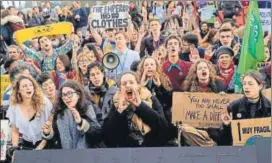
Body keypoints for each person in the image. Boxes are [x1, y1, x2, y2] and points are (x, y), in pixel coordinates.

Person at [102, 71, 168, 147]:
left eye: (131, 82)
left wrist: (141, 106)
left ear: (137, 85)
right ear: (120, 89)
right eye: (124, 84)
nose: (128, 86)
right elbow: (107, 136)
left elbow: (164, 126)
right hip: (126, 151)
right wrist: (119, 112)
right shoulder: (116, 102)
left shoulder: (150, 98)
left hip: (151, 148)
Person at [42, 80, 102, 149]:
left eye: (69, 93)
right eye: (63, 95)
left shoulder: (90, 109)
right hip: (66, 156)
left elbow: (98, 136)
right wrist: (48, 133)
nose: (66, 98)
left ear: (78, 95)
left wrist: (81, 123)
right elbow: (56, 140)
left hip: (88, 155)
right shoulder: (59, 113)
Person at [219, 71, 271, 145]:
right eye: (244, 84)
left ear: (260, 86)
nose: (246, 87)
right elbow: (223, 143)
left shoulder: (269, 107)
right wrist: (226, 126)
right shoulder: (233, 107)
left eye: (250, 84)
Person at [6, 74, 53, 150]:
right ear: (18, 90)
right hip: (26, 143)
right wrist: (15, 147)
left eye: (31, 85)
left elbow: (51, 125)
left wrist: (40, 146)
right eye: (24, 86)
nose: (28, 88)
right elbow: (15, 130)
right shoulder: (14, 106)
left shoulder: (44, 102)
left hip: (45, 142)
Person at [136, 56, 173, 122]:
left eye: (152, 64)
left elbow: (169, 101)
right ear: (142, 68)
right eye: (146, 65)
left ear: (156, 67)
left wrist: (160, 86)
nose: (149, 67)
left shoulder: (164, 79)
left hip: (162, 117)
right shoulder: (136, 81)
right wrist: (141, 86)